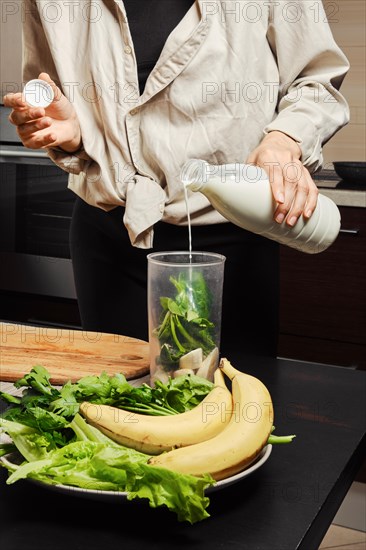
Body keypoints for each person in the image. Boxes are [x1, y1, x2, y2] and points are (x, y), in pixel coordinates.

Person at [4, 0, 349, 361]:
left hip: (234, 235)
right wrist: (72, 133)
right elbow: (51, 92)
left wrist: (284, 139)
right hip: (110, 232)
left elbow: (317, 81)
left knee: (236, 402)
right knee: (116, 404)